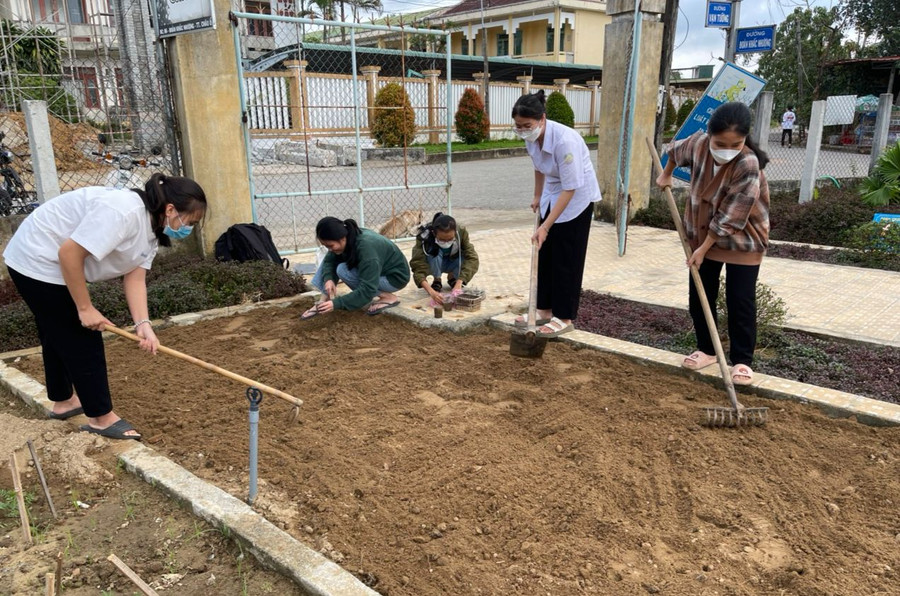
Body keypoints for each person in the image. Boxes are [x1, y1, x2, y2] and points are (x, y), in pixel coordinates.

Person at [2, 174, 208, 439]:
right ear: (170, 209)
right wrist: (85, 308)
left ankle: (64, 401)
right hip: (36, 258)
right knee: (81, 336)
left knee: (56, 328)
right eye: (190, 221)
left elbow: (135, 276)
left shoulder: (152, 229)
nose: (188, 228)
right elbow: (69, 253)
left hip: (49, 259)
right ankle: (101, 417)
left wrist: (143, 324)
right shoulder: (123, 212)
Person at [655, 102, 770, 386]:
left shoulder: (748, 163)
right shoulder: (698, 144)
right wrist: (666, 173)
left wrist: (703, 248)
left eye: (736, 144)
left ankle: (742, 360)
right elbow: (674, 151)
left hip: (744, 238)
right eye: (720, 143)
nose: (727, 150)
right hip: (700, 232)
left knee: (740, 299)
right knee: (700, 294)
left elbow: (732, 216)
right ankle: (707, 349)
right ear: (709, 135)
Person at [511, 90, 601, 338]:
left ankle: (564, 316)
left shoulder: (564, 141)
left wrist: (546, 225)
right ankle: (543, 309)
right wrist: (537, 196)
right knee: (546, 255)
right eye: (518, 126)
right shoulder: (531, 138)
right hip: (552, 192)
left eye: (527, 125)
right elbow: (538, 167)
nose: (522, 130)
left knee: (566, 259)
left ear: (542, 119)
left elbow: (571, 187)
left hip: (576, 198)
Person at [303, 217, 410, 318]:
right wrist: (329, 278)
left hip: (394, 278)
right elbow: (329, 260)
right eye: (326, 246)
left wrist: (337, 303)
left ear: (341, 238)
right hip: (379, 270)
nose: (329, 249)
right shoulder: (349, 235)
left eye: (330, 245)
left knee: (343, 271)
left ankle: (388, 297)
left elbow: (367, 289)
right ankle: (322, 301)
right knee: (333, 259)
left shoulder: (367, 250)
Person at [409, 212, 479, 305]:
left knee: (465, 257)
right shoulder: (424, 237)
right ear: (434, 233)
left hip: (453, 260)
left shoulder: (461, 232)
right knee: (433, 253)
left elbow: (472, 258)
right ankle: (437, 279)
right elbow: (417, 264)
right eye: (442, 239)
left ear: (455, 232)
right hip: (435, 262)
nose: (446, 242)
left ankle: (452, 277)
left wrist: (459, 282)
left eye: (450, 239)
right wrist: (431, 291)